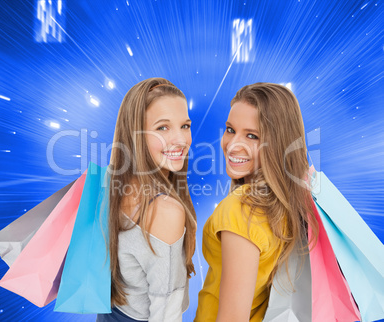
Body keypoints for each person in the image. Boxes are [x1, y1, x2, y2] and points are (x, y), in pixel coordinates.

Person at [194, 83, 318, 321]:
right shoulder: (289, 201)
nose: (232, 144)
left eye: (252, 136)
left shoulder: (241, 210)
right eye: (230, 129)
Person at [97, 78, 197, 322]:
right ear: (135, 135)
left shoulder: (108, 186)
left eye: (185, 125)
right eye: (162, 128)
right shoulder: (165, 211)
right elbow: (166, 316)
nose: (181, 140)